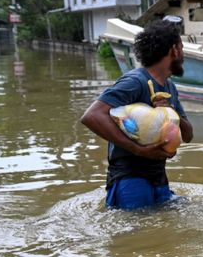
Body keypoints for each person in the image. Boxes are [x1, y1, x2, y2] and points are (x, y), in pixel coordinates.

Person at [81, 19, 195, 209]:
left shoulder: (170, 87)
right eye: (182, 48)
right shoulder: (135, 81)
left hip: (158, 179)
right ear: (174, 50)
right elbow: (92, 116)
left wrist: (171, 111)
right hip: (130, 179)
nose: (183, 55)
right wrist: (138, 150)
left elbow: (189, 136)